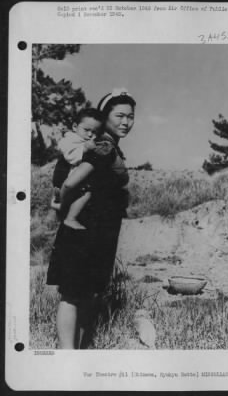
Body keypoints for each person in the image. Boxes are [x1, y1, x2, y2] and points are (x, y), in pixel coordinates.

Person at [46, 88, 136, 349]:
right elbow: (73, 180)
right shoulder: (103, 144)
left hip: (97, 228)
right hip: (83, 227)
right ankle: (68, 355)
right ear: (104, 116)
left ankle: (78, 353)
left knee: (86, 294)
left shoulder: (108, 145)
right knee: (74, 294)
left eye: (130, 116)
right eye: (119, 115)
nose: (126, 122)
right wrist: (62, 205)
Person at [51, 108, 104, 230]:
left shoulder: (85, 140)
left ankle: (65, 214)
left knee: (86, 193)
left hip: (72, 177)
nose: (90, 134)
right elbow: (70, 156)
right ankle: (70, 217)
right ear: (75, 127)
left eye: (95, 132)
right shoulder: (70, 138)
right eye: (86, 130)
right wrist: (85, 148)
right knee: (86, 193)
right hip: (64, 177)